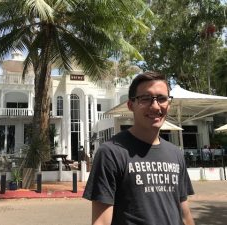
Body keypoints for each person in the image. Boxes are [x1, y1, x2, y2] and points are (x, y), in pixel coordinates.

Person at [83, 71, 195, 225]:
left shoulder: (175, 154)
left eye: (162, 98)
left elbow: (184, 213)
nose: (155, 106)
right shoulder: (111, 153)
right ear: (131, 105)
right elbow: (101, 221)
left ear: (169, 103)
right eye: (145, 99)